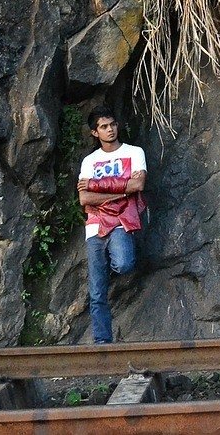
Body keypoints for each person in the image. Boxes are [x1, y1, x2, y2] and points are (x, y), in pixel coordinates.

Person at [77, 107, 146, 344]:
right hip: (95, 225)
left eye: (112, 124)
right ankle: (102, 342)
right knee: (97, 292)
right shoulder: (89, 161)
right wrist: (120, 190)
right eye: (104, 127)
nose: (110, 129)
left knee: (124, 264)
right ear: (95, 132)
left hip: (121, 221)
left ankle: (110, 265)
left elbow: (138, 186)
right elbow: (84, 199)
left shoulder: (134, 152)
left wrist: (98, 186)